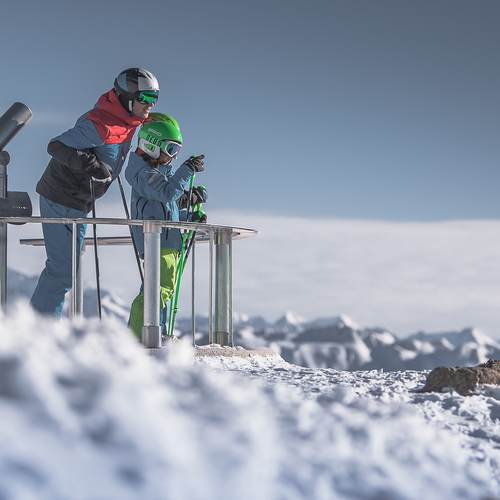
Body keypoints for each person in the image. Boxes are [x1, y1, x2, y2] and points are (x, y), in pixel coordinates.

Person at [31, 68, 160, 316]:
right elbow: (56, 145)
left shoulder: (129, 120)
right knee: (62, 272)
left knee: (67, 271)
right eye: (146, 99)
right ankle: (37, 332)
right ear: (127, 97)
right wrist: (92, 166)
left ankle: (40, 328)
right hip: (60, 198)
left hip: (80, 203)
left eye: (155, 99)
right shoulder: (99, 124)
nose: (150, 106)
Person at [125, 112, 206, 339]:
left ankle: (153, 333)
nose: (173, 157)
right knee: (158, 291)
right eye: (171, 150)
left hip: (165, 242)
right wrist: (187, 169)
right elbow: (166, 192)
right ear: (151, 144)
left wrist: (189, 216)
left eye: (177, 152)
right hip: (157, 243)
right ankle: (138, 338)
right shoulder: (143, 174)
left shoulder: (153, 175)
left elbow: (165, 211)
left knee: (158, 292)